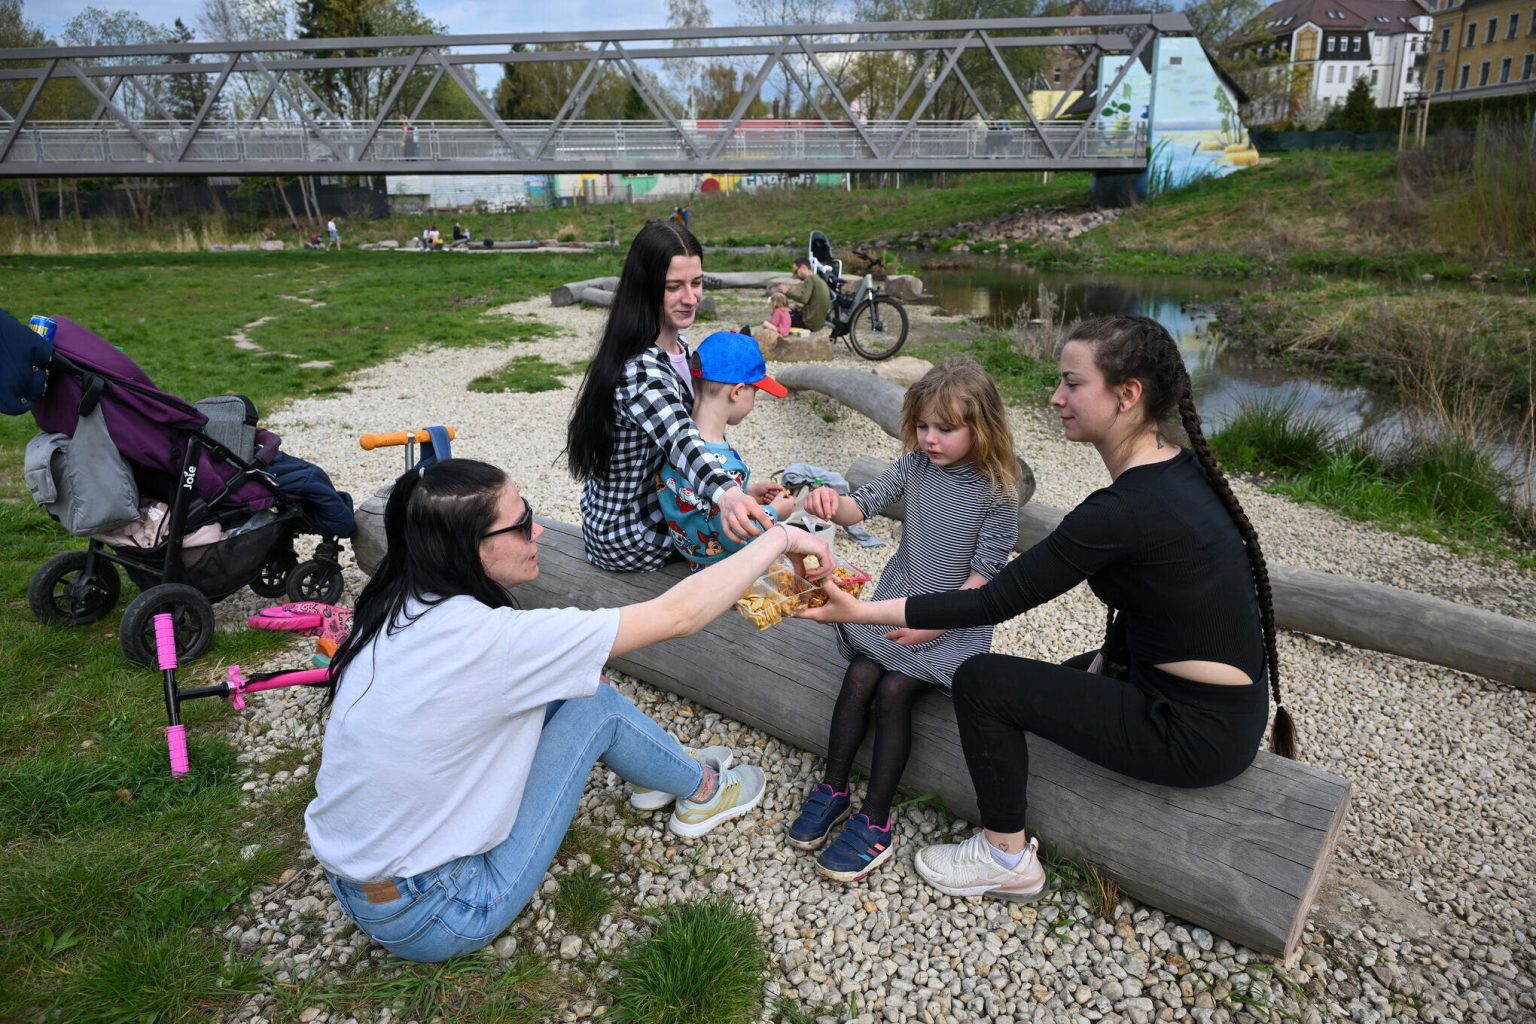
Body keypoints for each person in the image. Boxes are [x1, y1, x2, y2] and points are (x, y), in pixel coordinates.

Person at [800, 314, 1296, 902]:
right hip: (1216, 702)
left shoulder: (1118, 510)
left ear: (1127, 395)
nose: (1055, 397)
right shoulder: (1178, 472)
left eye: (1072, 383)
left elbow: (993, 599)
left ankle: (1004, 855)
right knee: (1042, 683)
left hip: (1191, 730)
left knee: (984, 679)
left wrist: (857, 614)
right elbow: (1165, 607)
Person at [305, 458, 833, 963]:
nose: (537, 533)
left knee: (575, 683)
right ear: (467, 547)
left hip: (357, 882)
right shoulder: (493, 640)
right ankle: (705, 790)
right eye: (521, 524)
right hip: (439, 911)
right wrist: (781, 537)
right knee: (596, 706)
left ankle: (656, 767)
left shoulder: (396, 602)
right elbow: (679, 615)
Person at [788, 358, 1021, 882]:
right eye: (922, 426)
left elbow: (984, 576)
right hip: (898, 598)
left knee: (894, 691)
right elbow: (862, 507)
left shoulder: (996, 491)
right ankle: (834, 787)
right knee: (860, 675)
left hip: (953, 622)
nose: (930, 438)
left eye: (946, 428)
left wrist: (934, 624)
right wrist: (830, 503)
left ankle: (875, 820)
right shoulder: (915, 466)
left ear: (981, 427)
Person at [566, 221, 777, 572]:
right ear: (646, 289)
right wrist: (728, 496)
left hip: (656, 512)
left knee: (753, 536)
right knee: (756, 551)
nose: (691, 297)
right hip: (631, 534)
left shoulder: (679, 349)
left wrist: (735, 491)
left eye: (697, 282)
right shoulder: (641, 370)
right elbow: (683, 440)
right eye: (674, 287)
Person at [658, 331, 796, 567]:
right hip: (720, 571)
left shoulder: (677, 444)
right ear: (737, 392)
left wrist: (747, 493)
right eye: (756, 391)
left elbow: (701, 503)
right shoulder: (727, 468)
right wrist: (773, 512)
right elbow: (738, 538)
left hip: (689, 554)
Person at [777, 257, 831, 333]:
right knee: (790, 310)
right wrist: (803, 307)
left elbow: (804, 299)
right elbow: (813, 301)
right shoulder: (818, 279)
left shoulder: (809, 279)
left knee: (780, 315)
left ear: (803, 267)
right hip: (818, 323)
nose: (796, 276)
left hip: (809, 324)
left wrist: (787, 292)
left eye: (796, 272)